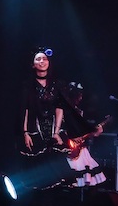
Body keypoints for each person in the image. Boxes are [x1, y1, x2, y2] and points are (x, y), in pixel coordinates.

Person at [19, 48, 98, 190]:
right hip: (35, 129)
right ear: (33, 64)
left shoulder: (56, 85)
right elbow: (26, 109)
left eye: (44, 59)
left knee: (58, 171)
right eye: (38, 59)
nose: (42, 61)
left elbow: (59, 108)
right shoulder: (28, 86)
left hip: (53, 130)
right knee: (37, 169)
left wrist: (56, 132)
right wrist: (25, 133)